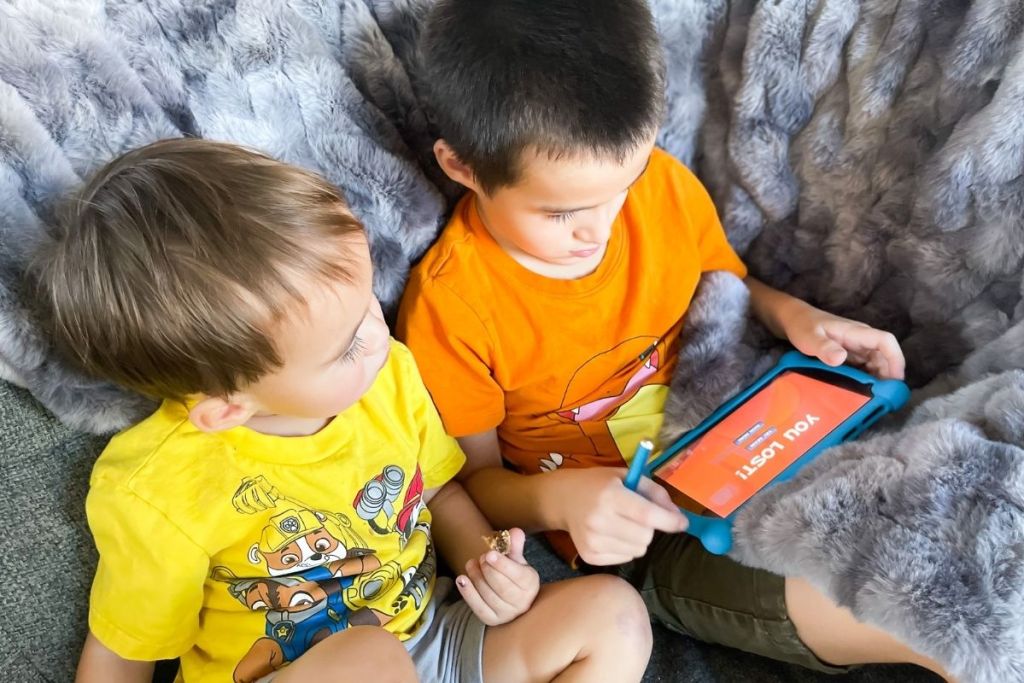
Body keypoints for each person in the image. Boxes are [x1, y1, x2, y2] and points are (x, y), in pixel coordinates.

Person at [397, 1, 951, 678]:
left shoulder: (659, 186)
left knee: (936, 522)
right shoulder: (452, 306)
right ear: (463, 167)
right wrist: (563, 499)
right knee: (907, 608)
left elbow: (719, 283)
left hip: (745, 425)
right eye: (561, 210)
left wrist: (793, 314)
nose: (597, 230)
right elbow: (472, 482)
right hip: (646, 533)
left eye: (619, 189)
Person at [34, 138, 654, 683]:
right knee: (368, 662)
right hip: (311, 671)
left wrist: (484, 564)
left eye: (366, 306)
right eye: (345, 347)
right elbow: (122, 651)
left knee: (614, 616)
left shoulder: (386, 378)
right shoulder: (159, 491)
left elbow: (438, 492)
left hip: (429, 634)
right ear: (227, 409)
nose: (381, 336)